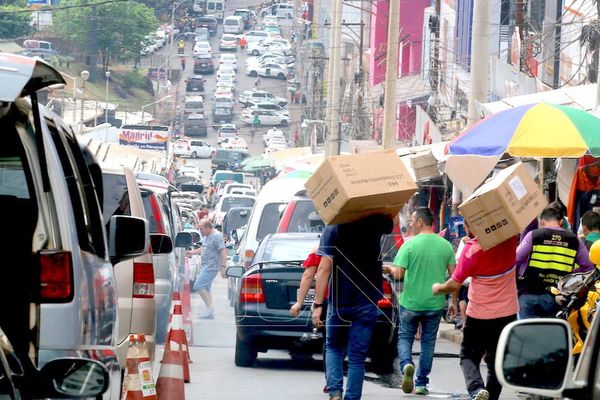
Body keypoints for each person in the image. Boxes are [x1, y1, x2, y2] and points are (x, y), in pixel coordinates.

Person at [312, 214, 396, 400]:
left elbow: (324, 268)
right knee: (357, 357)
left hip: (339, 300)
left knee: (333, 346)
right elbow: (393, 219)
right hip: (367, 301)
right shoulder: (375, 223)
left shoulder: (333, 227)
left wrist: (318, 304)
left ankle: (335, 393)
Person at [433, 231, 519, 400]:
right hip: (507, 316)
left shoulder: (471, 250)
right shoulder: (510, 240)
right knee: (497, 363)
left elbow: (454, 283)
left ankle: (476, 388)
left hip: (479, 316)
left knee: (468, 356)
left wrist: (438, 288)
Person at [383, 207, 456, 396]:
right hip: (435, 303)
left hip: (410, 303)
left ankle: (407, 363)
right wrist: (454, 302)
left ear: (421, 222)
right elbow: (455, 278)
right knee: (428, 342)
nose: (410, 224)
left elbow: (398, 274)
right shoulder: (445, 246)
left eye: (412, 221)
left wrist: (389, 270)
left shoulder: (409, 245)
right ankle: (422, 382)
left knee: (405, 336)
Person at [516, 205, 594, 319]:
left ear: (542, 222)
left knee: (527, 332)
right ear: (561, 221)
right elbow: (589, 266)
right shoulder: (574, 240)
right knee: (553, 332)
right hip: (556, 299)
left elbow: (516, 259)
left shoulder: (533, 235)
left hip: (529, 295)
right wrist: (572, 273)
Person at [188, 219, 228, 319]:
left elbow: (223, 251)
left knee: (198, 285)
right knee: (206, 288)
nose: (200, 231)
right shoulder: (207, 236)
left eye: (201, 229)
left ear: (208, 227)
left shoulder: (217, 236)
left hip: (211, 267)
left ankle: (210, 308)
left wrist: (223, 267)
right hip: (205, 266)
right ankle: (209, 311)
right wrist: (191, 253)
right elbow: (204, 248)